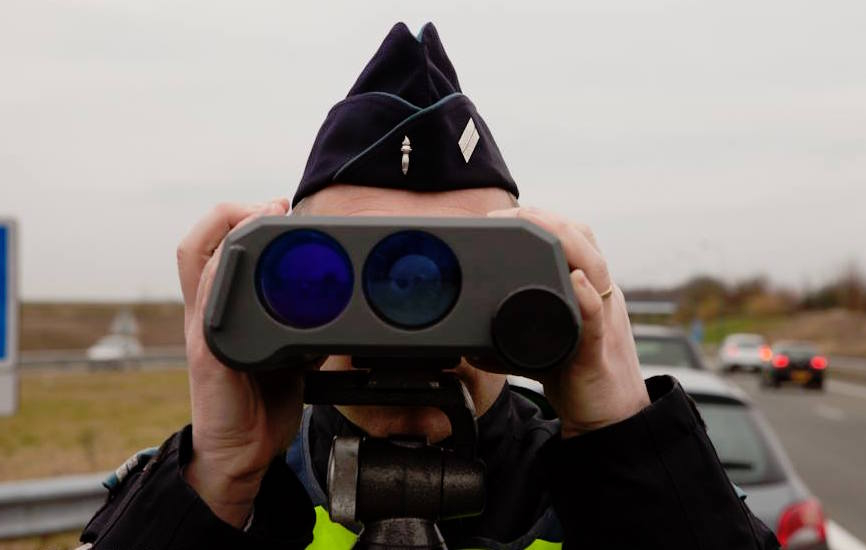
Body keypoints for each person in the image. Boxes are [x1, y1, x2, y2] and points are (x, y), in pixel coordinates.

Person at [79, 23, 779, 549]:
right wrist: (218, 477)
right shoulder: (225, 496)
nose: (409, 325)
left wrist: (622, 435)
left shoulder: (603, 496)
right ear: (282, 286)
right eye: (339, 278)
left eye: (457, 277)